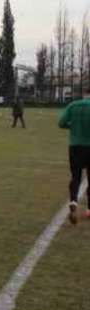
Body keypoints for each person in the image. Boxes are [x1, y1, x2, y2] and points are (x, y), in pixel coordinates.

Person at [59, 90, 90, 224]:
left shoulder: (73, 105)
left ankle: (73, 202)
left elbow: (61, 123)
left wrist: (72, 126)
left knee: (75, 177)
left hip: (75, 146)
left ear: (85, 94)